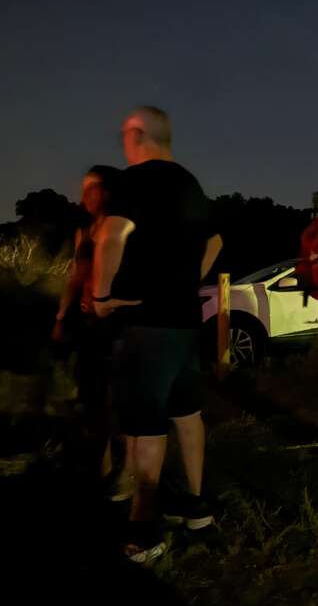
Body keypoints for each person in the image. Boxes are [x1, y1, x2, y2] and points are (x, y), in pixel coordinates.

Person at [93, 106, 223, 562]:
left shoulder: (134, 182)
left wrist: (101, 295)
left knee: (145, 427)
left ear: (138, 135)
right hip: (185, 320)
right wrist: (184, 282)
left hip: (146, 323)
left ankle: (144, 530)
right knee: (187, 414)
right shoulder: (190, 184)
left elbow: (111, 237)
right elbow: (215, 242)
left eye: (125, 135)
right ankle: (197, 507)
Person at [52, 165, 130, 498]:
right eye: (83, 188)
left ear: (108, 191)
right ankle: (103, 469)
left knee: (119, 399)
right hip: (88, 327)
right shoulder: (84, 232)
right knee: (93, 399)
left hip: (117, 323)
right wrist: (61, 316)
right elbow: (75, 276)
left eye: (92, 187)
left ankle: (129, 471)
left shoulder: (121, 227)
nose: (86, 195)